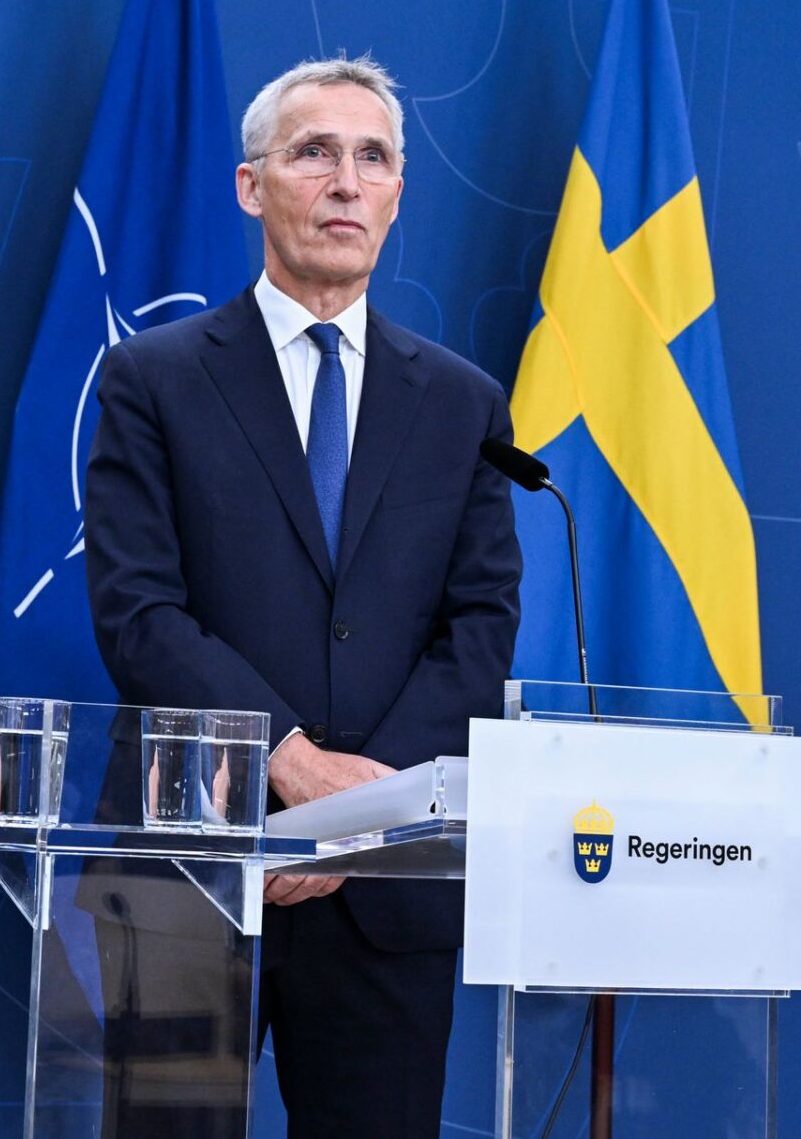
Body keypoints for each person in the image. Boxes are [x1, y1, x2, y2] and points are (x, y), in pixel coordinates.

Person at [84, 56, 520, 1137]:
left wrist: (356, 822)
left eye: (373, 158)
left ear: (398, 197)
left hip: (385, 891)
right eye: (315, 151)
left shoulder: (465, 402)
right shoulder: (154, 377)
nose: (344, 180)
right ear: (251, 185)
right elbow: (140, 614)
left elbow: (480, 629)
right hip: (192, 867)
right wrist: (286, 762)